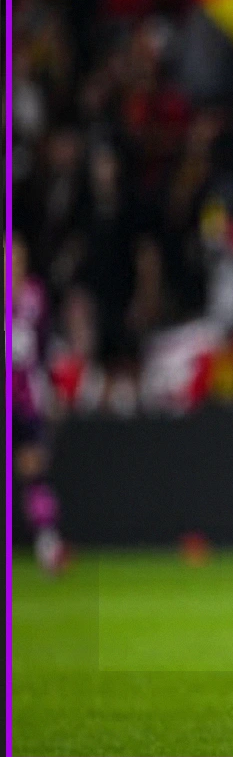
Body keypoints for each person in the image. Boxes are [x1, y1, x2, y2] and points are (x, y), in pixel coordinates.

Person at [10, 232, 69, 575]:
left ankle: (48, 545)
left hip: (26, 400)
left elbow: (45, 346)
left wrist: (53, 387)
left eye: (18, 258)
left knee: (34, 470)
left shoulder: (35, 296)